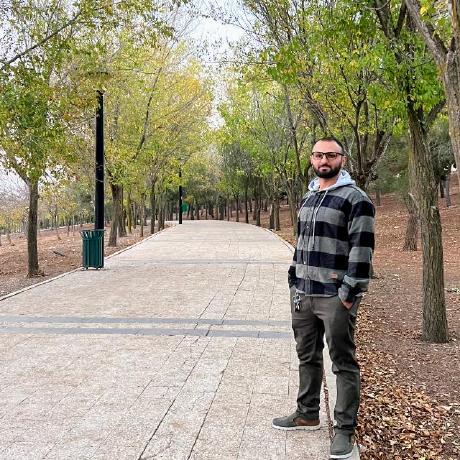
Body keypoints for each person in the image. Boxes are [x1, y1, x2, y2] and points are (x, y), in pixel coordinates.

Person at [272, 137, 375, 459]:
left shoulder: (355, 199)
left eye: (331, 155)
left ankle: (344, 430)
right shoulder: (309, 195)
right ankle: (307, 413)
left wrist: (350, 292)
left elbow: (362, 248)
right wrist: (293, 278)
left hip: (334, 296)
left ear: (342, 158)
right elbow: (302, 241)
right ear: (312, 158)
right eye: (318, 155)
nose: (324, 160)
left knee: (342, 362)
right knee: (307, 356)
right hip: (303, 293)